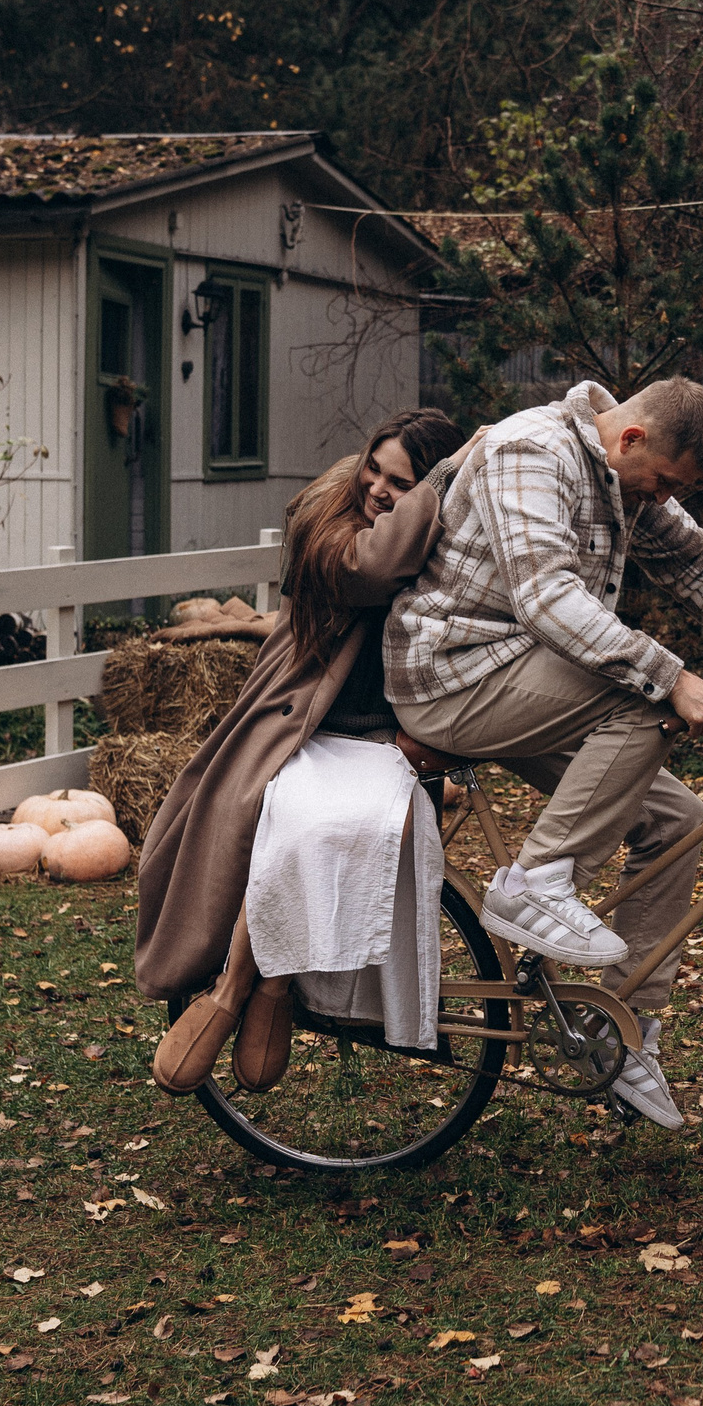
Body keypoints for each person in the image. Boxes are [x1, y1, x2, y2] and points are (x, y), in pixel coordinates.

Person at [386, 377, 703, 1131]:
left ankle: (620, 1032)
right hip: (449, 675)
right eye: (661, 484)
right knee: (643, 699)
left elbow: (694, 560)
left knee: (677, 818)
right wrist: (673, 676)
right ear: (631, 439)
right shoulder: (533, 450)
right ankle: (536, 882)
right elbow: (547, 597)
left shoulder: (621, 470)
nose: (658, 502)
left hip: (518, 673)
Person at [140, 408, 469, 1095]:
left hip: (384, 739)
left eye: (398, 481)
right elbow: (374, 566)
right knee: (287, 823)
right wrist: (438, 482)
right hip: (308, 725)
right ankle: (234, 989)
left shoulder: (444, 551)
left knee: (346, 831)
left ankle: (273, 988)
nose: (376, 485)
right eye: (373, 467)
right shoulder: (333, 527)